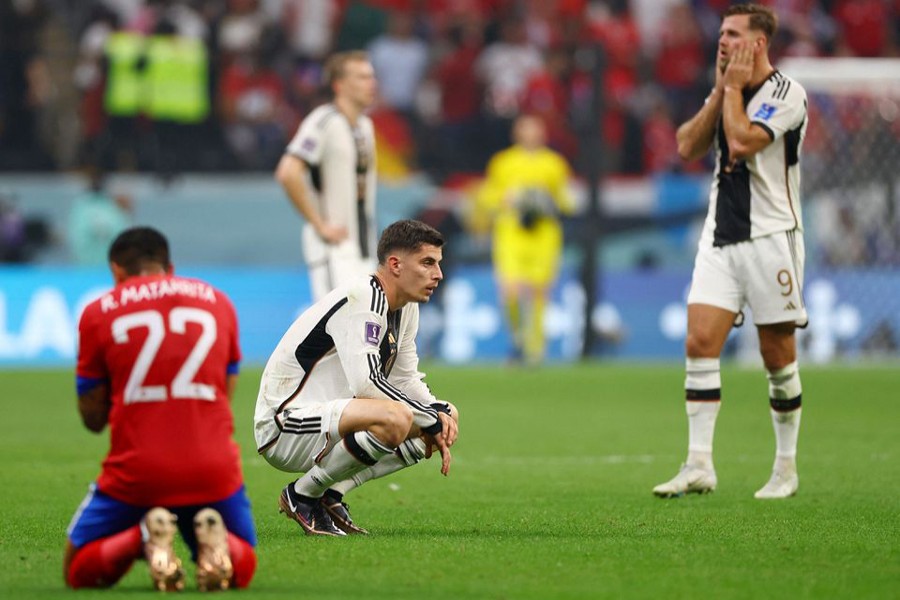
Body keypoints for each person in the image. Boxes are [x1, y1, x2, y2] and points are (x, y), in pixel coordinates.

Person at [652, 4, 809, 500]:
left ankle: (785, 467)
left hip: (771, 238)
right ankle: (699, 463)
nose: (722, 40)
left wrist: (734, 91)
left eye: (734, 34)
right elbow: (686, 146)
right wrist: (722, 88)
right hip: (720, 237)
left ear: (759, 43)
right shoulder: (727, 92)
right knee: (700, 342)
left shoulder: (787, 93)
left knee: (776, 356)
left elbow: (741, 142)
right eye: (721, 32)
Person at [65, 227, 257, 590]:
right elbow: (224, 393)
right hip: (212, 470)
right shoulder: (218, 302)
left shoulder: (98, 311)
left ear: (117, 272)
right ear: (169, 267)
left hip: (138, 473)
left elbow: (93, 420)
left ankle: (141, 537)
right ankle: (214, 540)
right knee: (241, 567)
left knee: (78, 570)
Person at [254, 219, 459, 536]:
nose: (438, 274)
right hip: (284, 425)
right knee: (397, 417)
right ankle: (302, 495)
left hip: (333, 416)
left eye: (438, 264)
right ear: (395, 264)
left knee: (442, 414)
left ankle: (330, 495)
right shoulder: (363, 297)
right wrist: (427, 417)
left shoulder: (405, 308)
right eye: (428, 263)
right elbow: (367, 383)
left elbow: (405, 379)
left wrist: (437, 412)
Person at [275, 50, 379, 301]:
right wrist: (320, 225)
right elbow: (288, 172)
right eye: (362, 77)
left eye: (371, 76)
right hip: (334, 247)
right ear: (339, 84)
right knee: (337, 331)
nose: (371, 83)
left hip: (364, 246)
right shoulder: (324, 120)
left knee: (363, 331)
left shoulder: (366, 126)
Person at [476, 114, 574, 364]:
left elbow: (566, 201)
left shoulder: (554, 163)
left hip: (544, 235)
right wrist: (507, 198)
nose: (531, 134)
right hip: (511, 233)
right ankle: (518, 336)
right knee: (510, 289)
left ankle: (535, 350)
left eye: (535, 129)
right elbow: (487, 197)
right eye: (526, 130)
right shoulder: (503, 162)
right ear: (516, 133)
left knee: (540, 292)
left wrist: (547, 202)